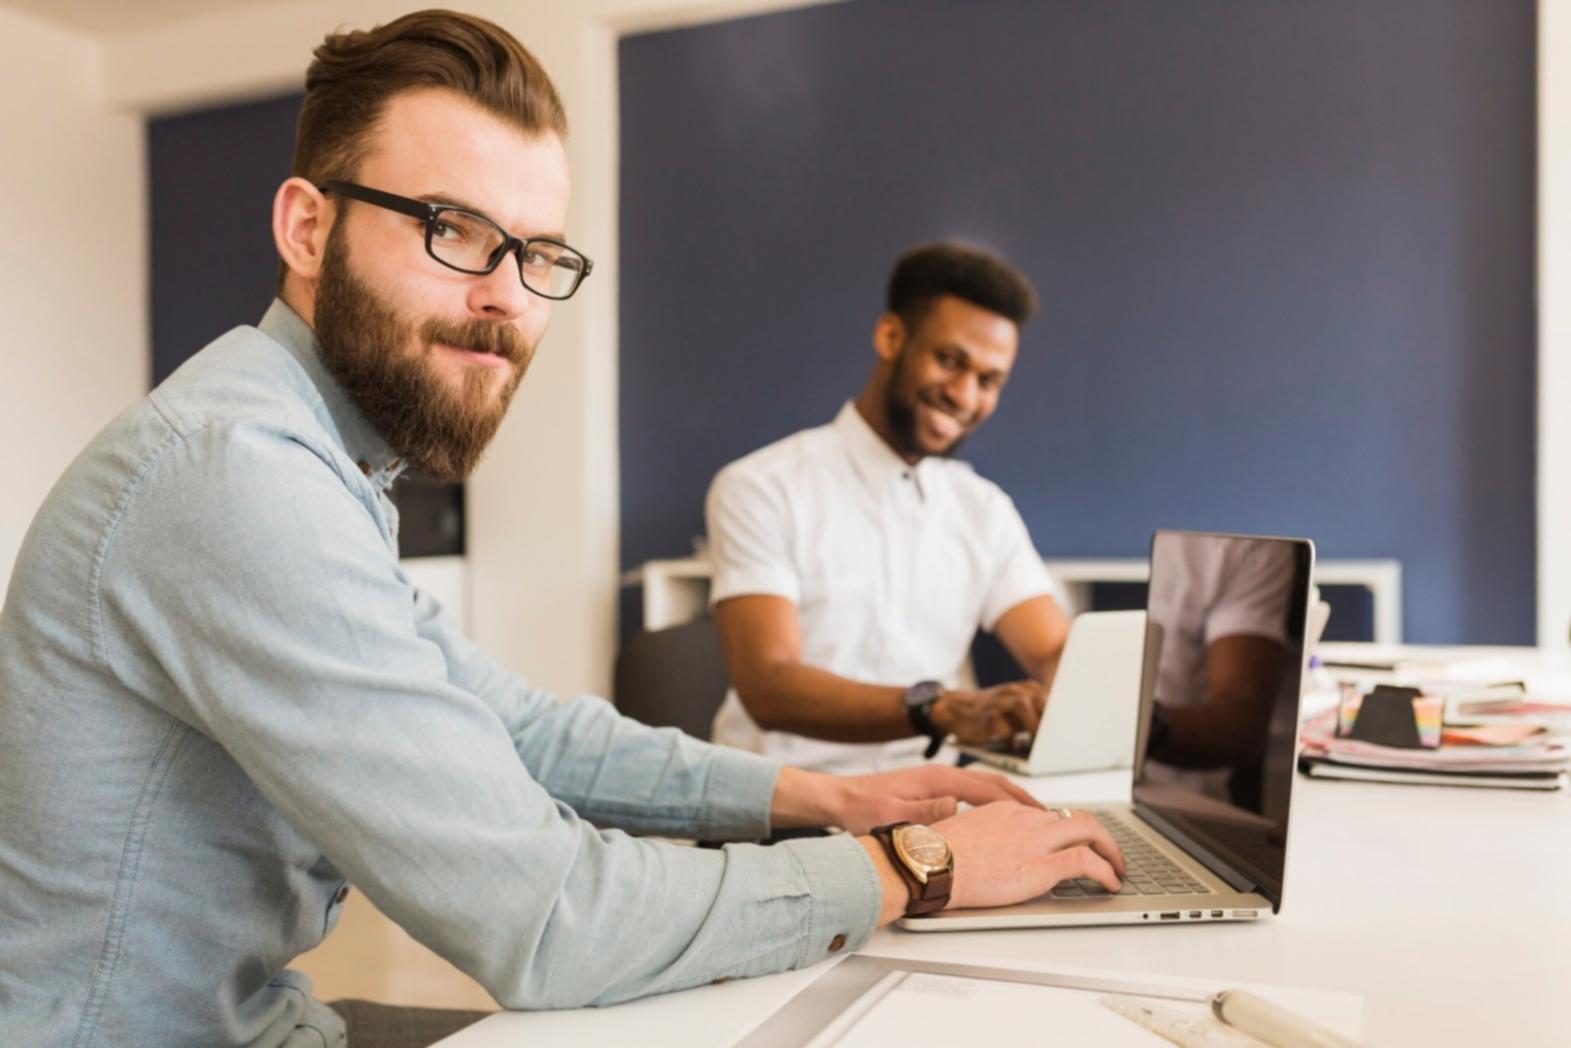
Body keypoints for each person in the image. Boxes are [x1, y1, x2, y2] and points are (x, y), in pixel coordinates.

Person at [0, 12, 1124, 1048]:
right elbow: (551, 921)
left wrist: (840, 800)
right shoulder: (236, 475)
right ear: (307, 227)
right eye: (454, 230)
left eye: (538, 253)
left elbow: (515, 727)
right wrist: (912, 865)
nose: (507, 296)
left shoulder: (314, 457)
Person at [707, 243, 1072, 774]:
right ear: (891, 338)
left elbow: (1053, 648)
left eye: (989, 381)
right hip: (780, 813)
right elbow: (769, 685)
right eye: (950, 361)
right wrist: (943, 710)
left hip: (929, 809)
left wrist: (1074, 684)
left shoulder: (982, 509)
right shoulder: (761, 487)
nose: (965, 396)